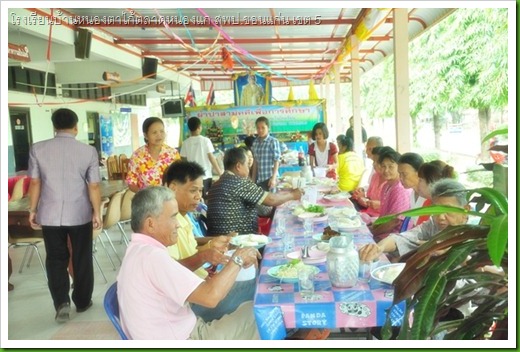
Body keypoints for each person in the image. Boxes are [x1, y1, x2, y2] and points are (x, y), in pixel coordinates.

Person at [117, 186, 261, 339]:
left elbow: (172, 274)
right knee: (259, 312)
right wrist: (238, 259)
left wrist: (204, 257)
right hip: (186, 337)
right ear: (151, 224)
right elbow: (210, 297)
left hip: (179, 327)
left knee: (249, 303)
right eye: (173, 217)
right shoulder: (153, 257)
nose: (177, 224)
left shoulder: (137, 251)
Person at [27, 108, 102, 322]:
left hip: (49, 215)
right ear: (76, 126)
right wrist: (97, 212)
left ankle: (61, 302)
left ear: (54, 126)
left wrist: (33, 210)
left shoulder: (38, 149)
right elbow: (94, 186)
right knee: (82, 257)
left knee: (55, 259)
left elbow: (34, 182)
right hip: (79, 213)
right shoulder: (88, 151)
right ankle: (83, 300)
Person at [162, 160, 256, 322]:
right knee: (259, 288)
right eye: (193, 191)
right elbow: (172, 269)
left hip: (203, 283)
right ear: (172, 188)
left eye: (200, 190)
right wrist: (205, 255)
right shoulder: (168, 222)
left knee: (256, 275)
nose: (199, 197)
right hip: (194, 303)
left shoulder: (183, 216)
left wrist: (215, 242)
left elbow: (190, 244)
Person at [359, 179, 470, 262]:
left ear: (466, 209)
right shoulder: (433, 225)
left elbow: (478, 273)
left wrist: (448, 253)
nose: (441, 216)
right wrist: (379, 248)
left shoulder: (475, 236)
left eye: (447, 209)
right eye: (436, 209)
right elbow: (403, 238)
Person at [206, 147, 302, 236]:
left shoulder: (215, 185)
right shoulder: (238, 182)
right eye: (247, 165)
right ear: (238, 166)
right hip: (238, 240)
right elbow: (271, 200)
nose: (249, 168)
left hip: (217, 241)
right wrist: (293, 195)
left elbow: (264, 208)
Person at [366, 147, 412, 242]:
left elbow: (393, 222)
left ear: (398, 168)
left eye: (391, 167)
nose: (386, 170)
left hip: (394, 237)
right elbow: (383, 217)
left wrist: (371, 233)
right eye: (383, 166)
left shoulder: (399, 189)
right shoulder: (386, 186)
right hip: (383, 232)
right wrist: (371, 228)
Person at [126, 117, 180, 193]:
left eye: (162, 131)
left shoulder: (173, 154)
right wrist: (143, 195)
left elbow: (181, 178)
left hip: (169, 200)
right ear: (145, 135)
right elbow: (131, 182)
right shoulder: (137, 156)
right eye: (154, 132)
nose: (159, 135)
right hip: (146, 202)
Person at [180, 117, 223, 196]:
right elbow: (211, 157)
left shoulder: (185, 143)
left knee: (195, 198)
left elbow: (183, 161)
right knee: (206, 199)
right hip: (205, 175)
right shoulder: (206, 140)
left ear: (189, 128)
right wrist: (220, 172)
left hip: (192, 177)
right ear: (199, 127)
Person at [415, 160, 456, 225]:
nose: (417, 183)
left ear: (432, 183)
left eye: (420, 180)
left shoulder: (446, 211)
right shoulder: (428, 203)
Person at [351, 145, 386, 216]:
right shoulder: (375, 176)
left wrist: (380, 205)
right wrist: (362, 197)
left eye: (377, 162)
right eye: (373, 161)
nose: (374, 164)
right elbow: (369, 199)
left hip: (380, 218)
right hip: (368, 214)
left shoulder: (392, 183)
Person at [251, 116, 281, 191]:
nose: (260, 130)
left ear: (268, 128)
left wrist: (273, 178)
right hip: (260, 180)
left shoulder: (273, 141)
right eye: (258, 128)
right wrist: (253, 180)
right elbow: (255, 162)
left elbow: (276, 160)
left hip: (271, 179)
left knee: (273, 200)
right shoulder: (255, 143)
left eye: (263, 127)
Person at [397, 152, 425, 227]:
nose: (401, 178)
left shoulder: (427, 197)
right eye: (399, 174)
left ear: (419, 173)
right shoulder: (413, 193)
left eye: (404, 174)